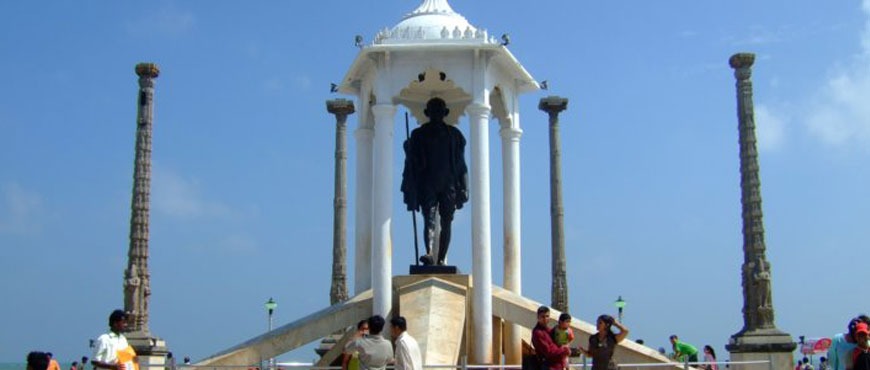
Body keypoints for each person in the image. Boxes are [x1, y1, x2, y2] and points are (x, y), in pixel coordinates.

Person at [401, 97, 469, 266]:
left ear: (444, 113)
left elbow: (461, 163)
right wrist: (408, 150)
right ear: (427, 113)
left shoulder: (454, 135)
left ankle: (441, 259)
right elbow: (413, 161)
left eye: (439, 111)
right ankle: (429, 253)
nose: (436, 114)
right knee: (428, 219)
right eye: (433, 111)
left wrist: (465, 186)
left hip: (449, 184)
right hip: (427, 183)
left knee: (447, 221)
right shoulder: (418, 135)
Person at [531, 306, 571, 370]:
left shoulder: (550, 331)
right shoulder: (538, 333)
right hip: (549, 367)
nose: (545, 319)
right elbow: (549, 352)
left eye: (547, 316)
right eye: (542, 316)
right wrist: (564, 350)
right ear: (538, 317)